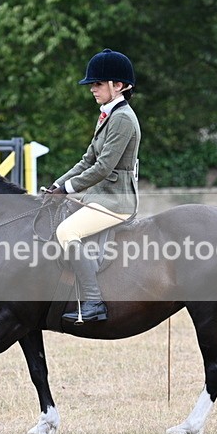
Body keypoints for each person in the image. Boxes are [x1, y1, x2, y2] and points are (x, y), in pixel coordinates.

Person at [44, 49, 141, 325]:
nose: (92, 89)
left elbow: (103, 168)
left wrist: (69, 189)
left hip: (117, 200)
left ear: (118, 85)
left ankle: (92, 301)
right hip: (102, 195)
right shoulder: (108, 115)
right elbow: (87, 159)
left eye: (97, 84)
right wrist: (57, 184)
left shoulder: (123, 118)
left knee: (67, 231)